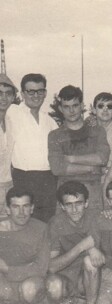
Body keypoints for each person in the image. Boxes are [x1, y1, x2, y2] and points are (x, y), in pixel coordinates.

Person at [48, 85, 110, 211]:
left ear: (82, 106)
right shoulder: (55, 135)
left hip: (92, 194)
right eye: (66, 107)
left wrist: (70, 159)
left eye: (75, 105)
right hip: (66, 194)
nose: (71, 111)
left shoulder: (97, 131)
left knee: (94, 229)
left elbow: (102, 158)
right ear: (60, 108)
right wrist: (91, 168)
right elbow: (57, 168)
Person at [8, 73, 58, 222]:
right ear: (22, 93)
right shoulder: (11, 112)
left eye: (40, 91)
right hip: (23, 179)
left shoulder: (50, 121)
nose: (36, 95)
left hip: (48, 180)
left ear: (45, 93)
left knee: (46, 224)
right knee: (25, 225)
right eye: (31, 91)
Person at [47, 181, 99, 304]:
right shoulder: (56, 223)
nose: (74, 209)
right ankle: (66, 301)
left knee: (91, 262)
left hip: (86, 277)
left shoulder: (96, 218)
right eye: (69, 205)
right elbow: (51, 266)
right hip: (65, 276)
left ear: (86, 203)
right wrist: (81, 247)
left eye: (79, 203)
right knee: (54, 287)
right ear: (62, 206)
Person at [0, 187, 49, 304]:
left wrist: (7, 269)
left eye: (26, 206)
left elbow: (41, 268)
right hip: (5, 280)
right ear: (7, 209)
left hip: (30, 280)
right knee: (4, 290)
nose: (21, 213)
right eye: (16, 207)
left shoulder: (41, 229)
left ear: (32, 208)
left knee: (29, 289)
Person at [0, 74, 17, 219]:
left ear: (13, 97)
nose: (3, 98)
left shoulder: (11, 121)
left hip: (8, 185)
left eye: (8, 93)